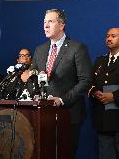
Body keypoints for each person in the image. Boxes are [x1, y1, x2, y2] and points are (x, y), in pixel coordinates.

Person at [32, 9, 92, 158]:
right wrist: (35, 94)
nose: (45, 26)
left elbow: (85, 81)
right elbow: (32, 76)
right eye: (44, 22)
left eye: (50, 22)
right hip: (44, 114)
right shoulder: (39, 50)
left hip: (69, 114)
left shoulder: (77, 48)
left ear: (62, 25)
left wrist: (62, 100)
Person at [88, 28, 119, 159]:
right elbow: (89, 84)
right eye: (107, 36)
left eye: (113, 36)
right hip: (102, 119)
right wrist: (95, 93)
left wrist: (114, 96)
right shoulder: (99, 61)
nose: (109, 38)